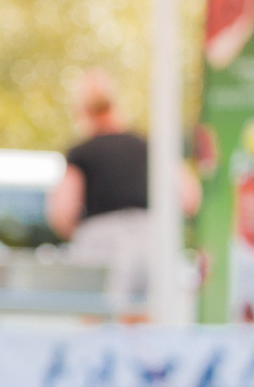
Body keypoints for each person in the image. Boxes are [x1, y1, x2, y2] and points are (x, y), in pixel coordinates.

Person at [45, 71, 196, 320]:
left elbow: (62, 212)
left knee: (98, 323)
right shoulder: (148, 146)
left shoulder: (81, 152)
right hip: (152, 238)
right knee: (148, 323)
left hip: (100, 244)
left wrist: (81, 233)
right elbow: (189, 197)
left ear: (81, 111)